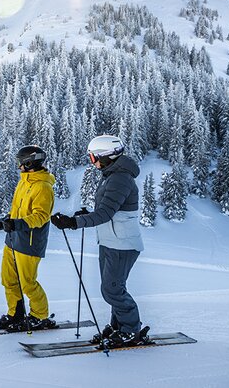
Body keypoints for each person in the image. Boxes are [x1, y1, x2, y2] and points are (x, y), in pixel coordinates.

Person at [51, 134, 146, 347]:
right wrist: (81, 215)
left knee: (112, 289)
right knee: (112, 287)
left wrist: (73, 223)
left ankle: (131, 330)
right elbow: (107, 209)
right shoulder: (111, 174)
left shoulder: (120, 178)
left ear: (106, 156)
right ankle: (119, 326)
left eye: (93, 158)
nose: (92, 162)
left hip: (122, 243)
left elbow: (105, 214)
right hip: (110, 240)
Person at [0, 145, 56, 331]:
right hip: (13, 239)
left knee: (28, 284)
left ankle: (40, 316)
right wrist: (3, 223)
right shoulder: (24, 182)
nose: (19, 166)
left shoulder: (43, 187)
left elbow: (41, 216)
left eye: (21, 162)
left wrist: (17, 225)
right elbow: (16, 211)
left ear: (29, 162)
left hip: (30, 241)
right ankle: (16, 313)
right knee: (8, 279)